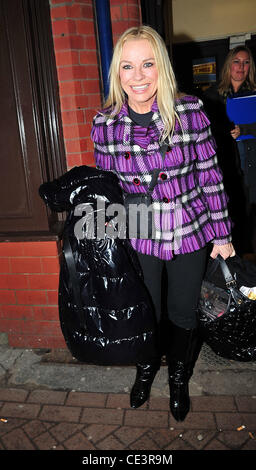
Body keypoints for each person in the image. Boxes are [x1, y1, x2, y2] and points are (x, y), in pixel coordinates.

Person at [91, 25, 235, 422]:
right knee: (146, 311)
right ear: (116, 74)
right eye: (127, 67)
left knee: (183, 312)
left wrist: (222, 235)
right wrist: (108, 236)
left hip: (188, 227)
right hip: (138, 231)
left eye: (148, 64)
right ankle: (145, 367)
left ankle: (177, 377)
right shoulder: (103, 124)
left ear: (162, 68)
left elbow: (210, 175)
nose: (138, 76)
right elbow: (108, 190)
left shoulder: (189, 112)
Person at [203, 46, 256, 253]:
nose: (241, 67)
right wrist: (226, 131)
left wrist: (245, 129)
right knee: (230, 207)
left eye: (246, 62)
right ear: (228, 65)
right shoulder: (211, 95)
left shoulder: (254, 93)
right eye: (236, 61)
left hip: (252, 156)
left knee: (251, 209)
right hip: (225, 160)